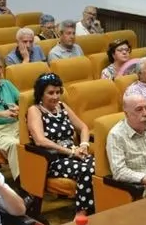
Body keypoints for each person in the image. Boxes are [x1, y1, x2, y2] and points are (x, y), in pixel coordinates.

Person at [26, 73, 95, 214]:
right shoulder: (35, 110)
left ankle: (96, 210)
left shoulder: (62, 106)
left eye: (58, 92)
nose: (55, 97)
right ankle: (81, 215)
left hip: (74, 152)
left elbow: (83, 127)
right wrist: (69, 152)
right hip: (53, 159)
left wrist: (84, 145)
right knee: (86, 170)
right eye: (50, 93)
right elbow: (40, 140)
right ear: (41, 94)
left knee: (99, 166)